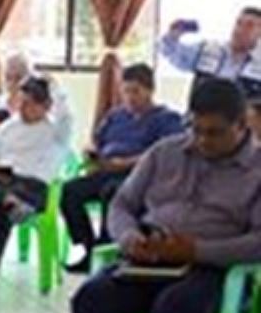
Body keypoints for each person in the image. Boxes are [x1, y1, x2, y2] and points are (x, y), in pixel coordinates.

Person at [63, 78, 261, 313]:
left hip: (215, 271)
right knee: (90, 299)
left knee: (176, 306)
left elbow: (257, 243)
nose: (203, 141)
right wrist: (129, 239)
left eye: (215, 133)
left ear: (242, 125)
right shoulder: (164, 152)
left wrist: (196, 250)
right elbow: (122, 204)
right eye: (196, 129)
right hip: (149, 261)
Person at [60, 63, 184, 272]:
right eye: (125, 91)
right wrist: (91, 154)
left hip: (138, 176)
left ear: (150, 90)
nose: (129, 97)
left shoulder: (166, 119)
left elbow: (163, 156)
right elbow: (96, 142)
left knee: (113, 192)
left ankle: (108, 248)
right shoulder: (115, 116)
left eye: (135, 91)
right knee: (70, 191)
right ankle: (88, 247)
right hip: (106, 169)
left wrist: (125, 163)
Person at [0, 77, 72, 306]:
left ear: (45, 106)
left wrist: (55, 86)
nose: (23, 109)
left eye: (30, 104)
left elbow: (67, 115)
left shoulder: (56, 132)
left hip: (32, 187)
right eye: (21, 102)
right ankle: (9, 201)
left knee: (1, 209)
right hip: (2, 184)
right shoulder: (8, 127)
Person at [0, 51, 73, 143]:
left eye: (18, 77)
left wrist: (56, 90)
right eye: (8, 77)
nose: (13, 84)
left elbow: (64, 132)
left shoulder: (43, 110)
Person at [161, 6, 261, 98]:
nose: (240, 30)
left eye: (249, 26)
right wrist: (173, 35)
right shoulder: (208, 50)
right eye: (238, 23)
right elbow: (172, 53)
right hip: (201, 114)